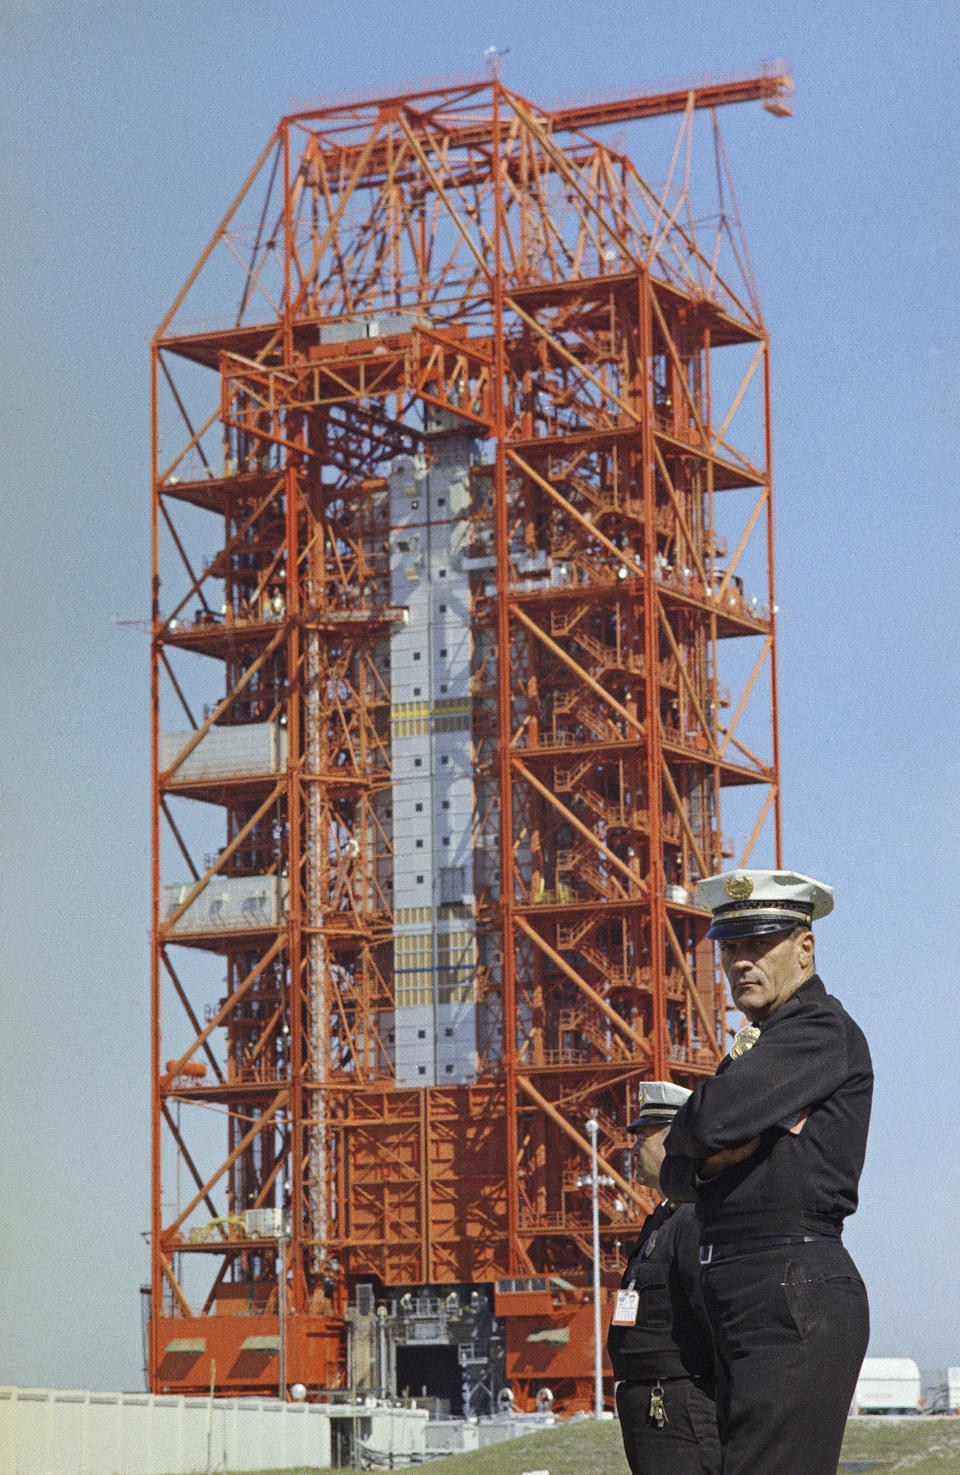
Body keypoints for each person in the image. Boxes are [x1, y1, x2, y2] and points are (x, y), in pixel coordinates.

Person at [661, 869, 873, 1475]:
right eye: (730, 948)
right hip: (747, 1284)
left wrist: (698, 1142)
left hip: (790, 1281)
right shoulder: (759, 1045)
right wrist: (703, 1153)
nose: (740, 963)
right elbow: (680, 1172)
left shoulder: (816, 1029)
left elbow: (703, 1125)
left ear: (805, 947)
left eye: (759, 945)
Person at [608, 1081, 721, 1475]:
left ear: (677, 1140)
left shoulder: (695, 1217)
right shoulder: (663, 1219)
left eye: (643, 1136)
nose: (634, 1147)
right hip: (652, 1407)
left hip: (677, 1406)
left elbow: (712, 1317)